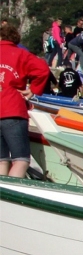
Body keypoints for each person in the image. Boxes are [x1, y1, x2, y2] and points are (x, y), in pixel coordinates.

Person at [0, 24, 51, 178]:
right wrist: (33, 89)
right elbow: (43, 69)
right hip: (13, 109)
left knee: (2, 160)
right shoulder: (21, 54)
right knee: (21, 160)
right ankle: (11, 190)